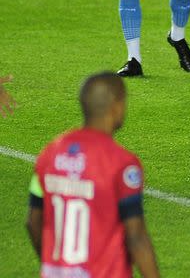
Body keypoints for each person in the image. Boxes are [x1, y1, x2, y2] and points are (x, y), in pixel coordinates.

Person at [26, 72, 160, 278]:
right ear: (115, 106)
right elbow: (136, 238)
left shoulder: (49, 154)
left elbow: (33, 222)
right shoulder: (122, 164)